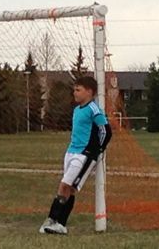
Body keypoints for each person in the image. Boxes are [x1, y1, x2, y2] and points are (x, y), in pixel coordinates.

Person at [39, 76, 112, 235]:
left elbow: (106, 131)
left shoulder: (94, 109)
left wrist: (96, 150)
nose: (75, 93)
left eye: (78, 90)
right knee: (69, 189)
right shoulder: (77, 110)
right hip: (71, 152)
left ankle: (52, 218)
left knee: (64, 185)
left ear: (89, 92)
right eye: (74, 90)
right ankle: (60, 224)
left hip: (83, 155)